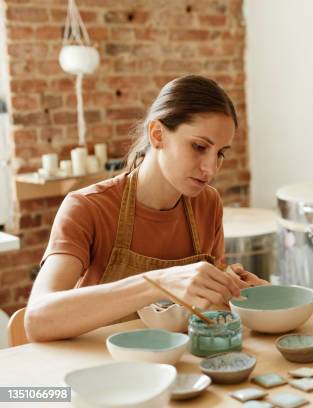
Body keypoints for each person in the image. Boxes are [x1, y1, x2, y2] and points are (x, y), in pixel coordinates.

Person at [26, 75, 266, 342]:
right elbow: (38, 319)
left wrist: (236, 290)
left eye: (220, 153)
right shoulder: (87, 207)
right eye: (199, 147)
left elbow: (207, 309)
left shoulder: (208, 203)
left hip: (177, 367)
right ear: (157, 134)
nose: (211, 168)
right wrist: (158, 284)